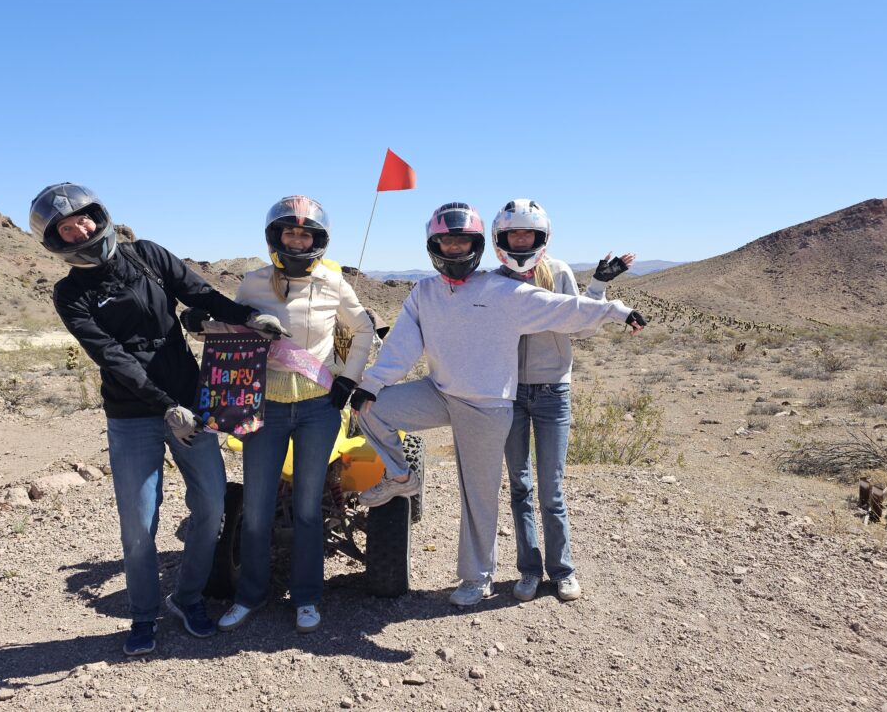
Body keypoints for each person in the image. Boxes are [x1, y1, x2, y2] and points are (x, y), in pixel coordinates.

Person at [29, 182, 287, 657]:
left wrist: (248, 317)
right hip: (134, 415)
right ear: (57, 240)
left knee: (211, 507)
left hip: (193, 404)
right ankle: (143, 616)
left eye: (83, 218)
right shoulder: (69, 294)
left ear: (99, 215)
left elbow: (199, 293)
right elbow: (111, 356)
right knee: (139, 523)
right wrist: (164, 404)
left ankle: (186, 599)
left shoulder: (146, 254)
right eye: (67, 227)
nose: (80, 228)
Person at [349, 202, 645, 607]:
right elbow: (401, 347)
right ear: (434, 245)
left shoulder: (505, 291)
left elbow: (566, 310)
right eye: (446, 242)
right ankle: (402, 476)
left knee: (478, 495)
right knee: (372, 409)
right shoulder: (425, 292)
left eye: (462, 242)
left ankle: (478, 579)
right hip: (439, 391)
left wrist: (614, 309)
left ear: (476, 245)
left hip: (487, 406)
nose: (454, 250)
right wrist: (371, 384)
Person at [214, 196, 374, 634]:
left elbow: (363, 328)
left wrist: (348, 377)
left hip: (318, 409)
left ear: (318, 240)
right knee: (259, 507)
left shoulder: (334, 283)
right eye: (290, 231)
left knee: (306, 508)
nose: (297, 238)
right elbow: (233, 328)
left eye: (305, 233)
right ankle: (249, 596)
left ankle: (306, 598)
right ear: (276, 236)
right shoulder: (253, 282)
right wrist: (201, 323)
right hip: (263, 407)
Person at [491, 199, 642, 603]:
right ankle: (527, 570)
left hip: (553, 390)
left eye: (527, 234)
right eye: (514, 234)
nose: (520, 240)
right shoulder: (492, 281)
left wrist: (597, 288)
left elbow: (582, 326)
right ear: (501, 238)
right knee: (520, 485)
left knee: (550, 488)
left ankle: (562, 571)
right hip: (510, 393)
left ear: (541, 237)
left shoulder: (556, 272)